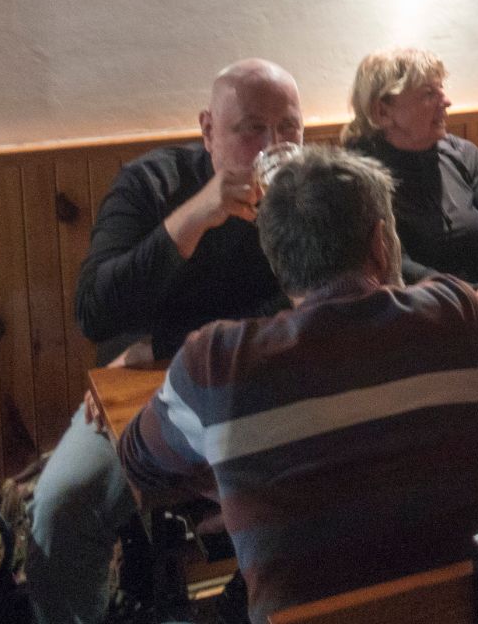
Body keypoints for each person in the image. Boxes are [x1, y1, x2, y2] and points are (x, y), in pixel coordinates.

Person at [117, 147, 478, 624]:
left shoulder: (215, 362)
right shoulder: (454, 311)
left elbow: (137, 462)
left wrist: (240, 482)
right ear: (380, 242)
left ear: (274, 256)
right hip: (465, 613)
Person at [31, 59, 303, 624]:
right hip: (146, 394)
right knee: (61, 508)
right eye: (251, 129)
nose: (272, 146)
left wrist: (169, 340)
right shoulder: (150, 183)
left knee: (335, 481)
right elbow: (95, 313)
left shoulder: (308, 189)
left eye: (288, 128)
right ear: (207, 129)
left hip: (263, 384)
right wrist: (193, 217)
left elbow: (307, 299)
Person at [343, 47, 478, 283]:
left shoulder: (465, 154)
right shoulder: (356, 176)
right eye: (428, 94)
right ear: (382, 112)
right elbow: (396, 264)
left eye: (441, 90)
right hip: (410, 302)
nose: (446, 102)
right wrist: (464, 296)